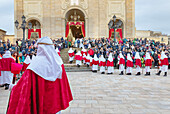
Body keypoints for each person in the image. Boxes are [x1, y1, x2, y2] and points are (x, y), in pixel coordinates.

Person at [7, 37, 73, 114]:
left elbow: (24, 86)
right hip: (55, 103)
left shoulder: (35, 65)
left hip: (41, 103)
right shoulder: (58, 63)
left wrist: (13, 87)